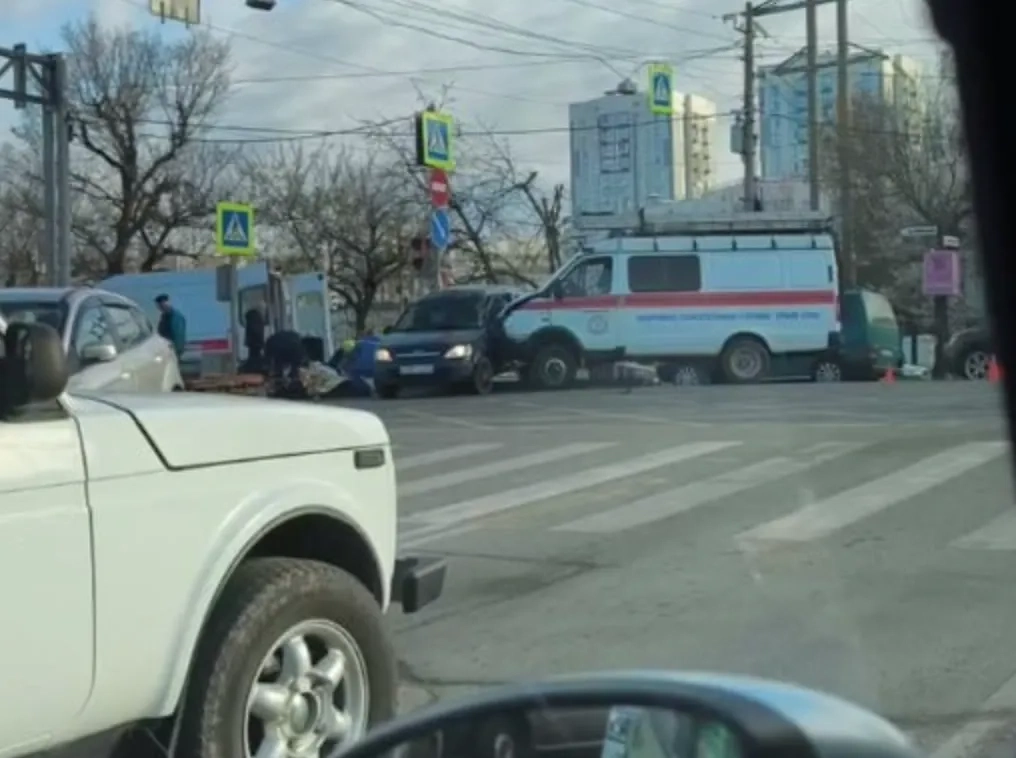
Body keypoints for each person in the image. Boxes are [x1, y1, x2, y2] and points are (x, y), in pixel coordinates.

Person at [155, 294, 186, 359]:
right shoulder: (164, 317)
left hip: (173, 351)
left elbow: (179, 335)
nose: (161, 307)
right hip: (166, 350)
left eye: (162, 305)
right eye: (160, 306)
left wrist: (177, 351)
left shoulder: (176, 317)